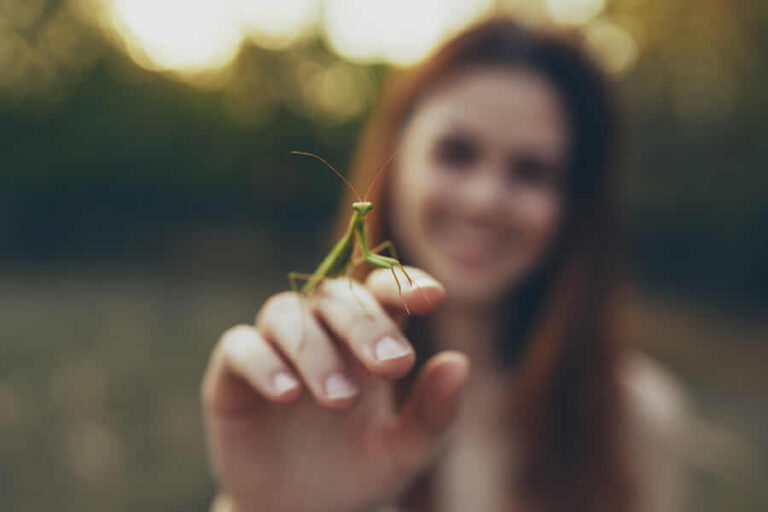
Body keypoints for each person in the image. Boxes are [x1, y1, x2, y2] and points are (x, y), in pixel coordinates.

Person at [201, 18, 689, 512]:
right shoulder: (325, 401)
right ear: (399, 160)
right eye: (456, 153)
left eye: (531, 171)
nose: (484, 201)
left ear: (575, 203)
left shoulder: (641, 420)